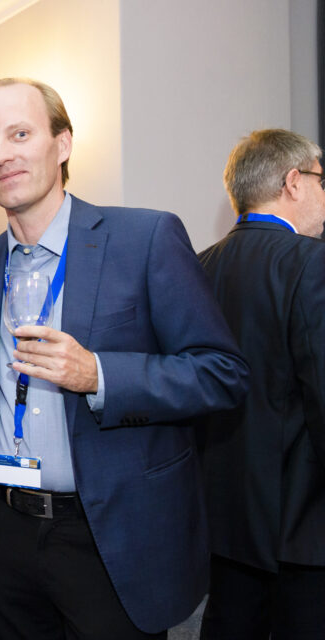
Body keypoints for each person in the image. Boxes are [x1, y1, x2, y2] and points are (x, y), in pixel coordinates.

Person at [0, 77, 250, 639]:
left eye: (20, 133)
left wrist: (100, 374)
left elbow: (222, 372)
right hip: (8, 539)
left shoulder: (144, 237)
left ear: (63, 143)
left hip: (110, 536)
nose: (3, 155)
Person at [196, 129, 325, 639]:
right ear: (294, 182)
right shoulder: (311, 262)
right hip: (305, 529)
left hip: (222, 525)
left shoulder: (195, 267)